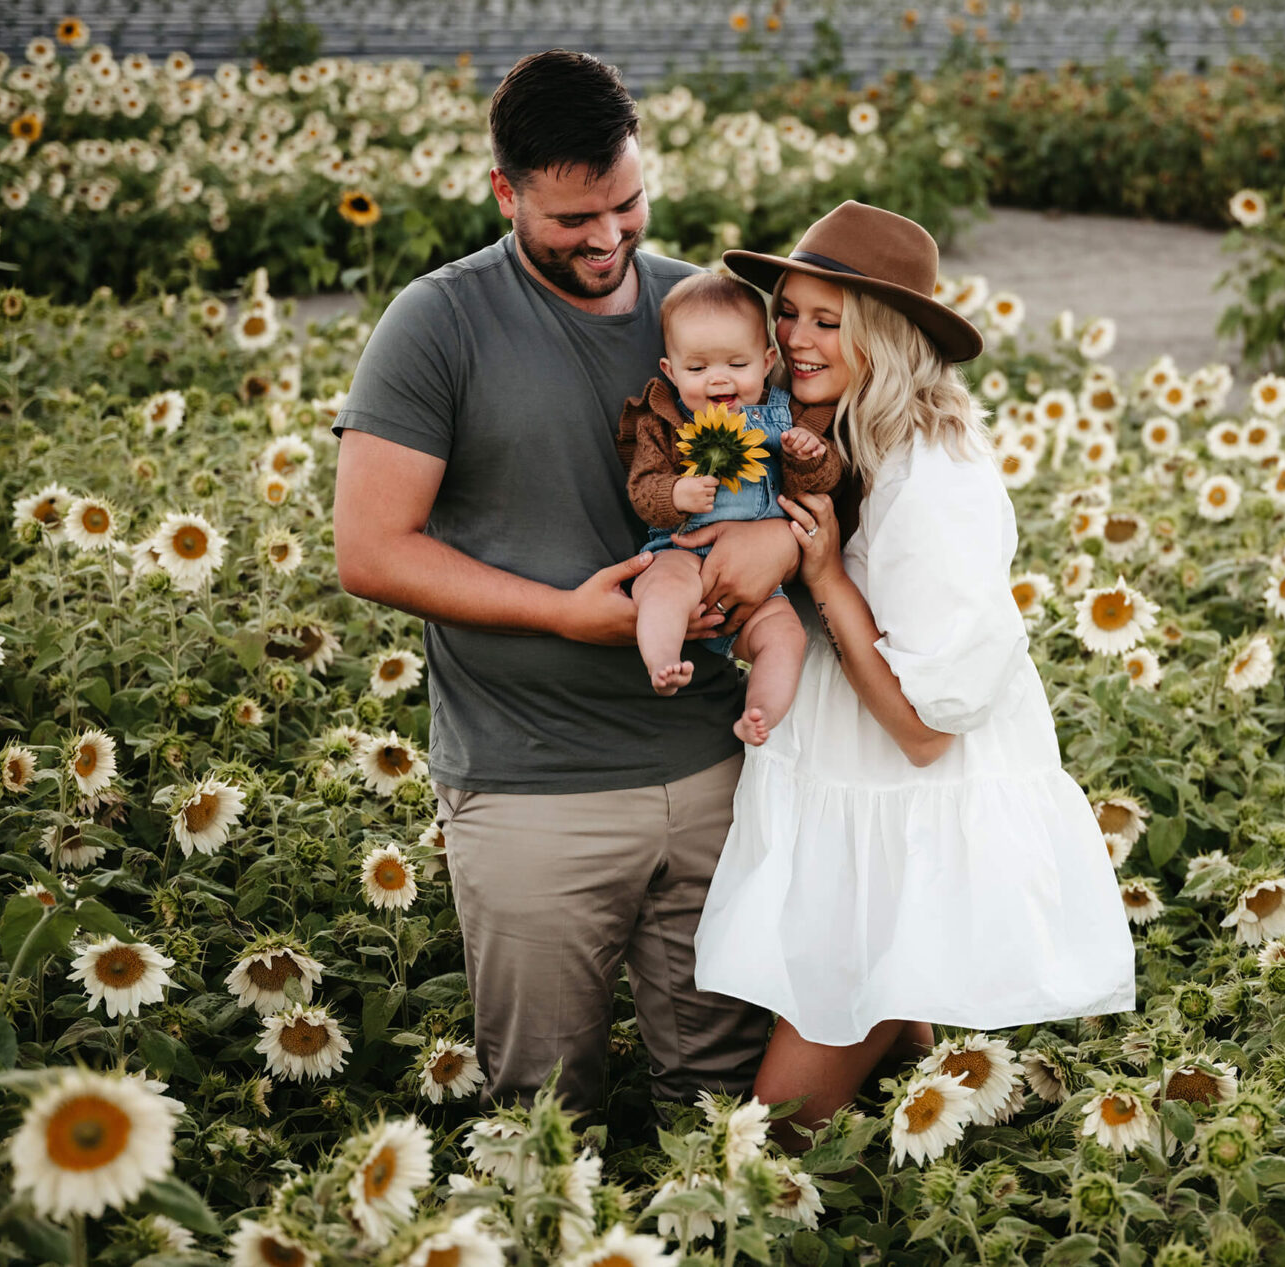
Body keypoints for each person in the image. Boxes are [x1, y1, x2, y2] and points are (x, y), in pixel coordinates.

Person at [331, 50, 790, 1115]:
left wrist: (782, 546)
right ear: (504, 191)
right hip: (532, 784)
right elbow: (371, 549)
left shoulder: (703, 314)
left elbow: (811, 475)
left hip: (720, 770)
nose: (606, 238)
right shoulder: (437, 322)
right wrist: (566, 616)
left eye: (625, 204)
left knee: (716, 1104)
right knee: (544, 1115)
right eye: (570, 218)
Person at [693, 201, 1138, 1132]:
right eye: (789, 311)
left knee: (772, 1136)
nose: (797, 338)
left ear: (884, 336)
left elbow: (925, 730)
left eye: (830, 319)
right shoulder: (842, 434)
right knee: (900, 1102)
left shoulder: (932, 475)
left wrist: (822, 576)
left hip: (897, 816)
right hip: (860, 808)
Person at [618, 272, 845, 745]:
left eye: (736, 364)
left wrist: (809, 457)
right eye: (697, 370)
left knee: (785, 637)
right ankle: (662, 658)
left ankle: (759, 711)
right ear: (670, 369)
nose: (718, 379)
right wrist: (674, 494)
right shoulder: (663, 418)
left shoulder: (788, 416)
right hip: (680, 551)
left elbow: (822, 486)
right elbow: (642, 488)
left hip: (760, 587)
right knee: (661, 587)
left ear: (766, 362)